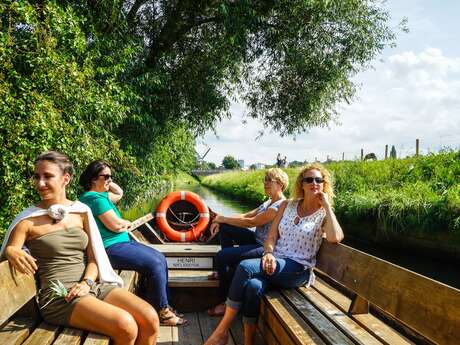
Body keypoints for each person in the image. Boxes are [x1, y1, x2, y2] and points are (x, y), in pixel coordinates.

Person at [1, 151, 158, 345]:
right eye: (36, 176)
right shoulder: (27, 220)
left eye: (47, 176)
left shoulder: (81, 211)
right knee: (125, 325)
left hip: (91, 285)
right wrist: (11, 250)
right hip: (60, 296)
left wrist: (86, 283)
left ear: (66, 178)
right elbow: (11, 249)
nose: (40, 183)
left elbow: (94, 258)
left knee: (150, 318)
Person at [204, 163, 344, 345]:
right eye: (309, 179)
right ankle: (248, 341)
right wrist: (268, 253)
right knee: (253, 287)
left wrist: (326, 204)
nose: (314, 183)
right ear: (301, 184)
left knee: (245, 267)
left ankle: (221, 332)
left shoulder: (323, 214)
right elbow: (271, 236)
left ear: (324, 184)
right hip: (275, 261)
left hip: (297, 268)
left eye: (319, 180)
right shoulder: (287, 205)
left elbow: (335, 237)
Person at [78, 160, 186, 326]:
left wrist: (107, 180)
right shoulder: (94, 199)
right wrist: (126, 223)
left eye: (110, 176)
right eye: (105, 176)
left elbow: (119, 193)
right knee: (155, 264)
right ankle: (162, 312)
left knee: (160, 257)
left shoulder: (102, 196)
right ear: (93, 179)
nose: (109, 180)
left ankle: (162, 305)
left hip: (122, 243)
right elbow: (115, 225)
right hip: (110, 248)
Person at [207, 168, 288, 316]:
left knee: (222, 256)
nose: (265, 183)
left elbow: (251, 222)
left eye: (270, 180)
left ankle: (225, 301)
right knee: (226, 227)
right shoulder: (268, 202)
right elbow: (246, 215)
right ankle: (227, 272)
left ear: (281, 184)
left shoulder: (279, 206)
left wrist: (222, 218)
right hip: (255, 239)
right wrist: (222, 219)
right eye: (265, 180)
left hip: (264, 247)